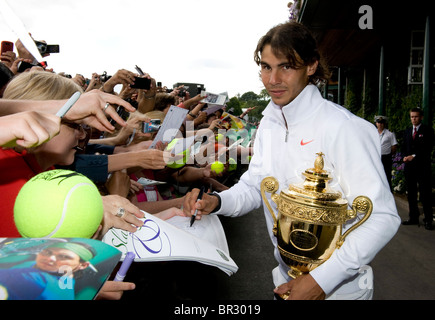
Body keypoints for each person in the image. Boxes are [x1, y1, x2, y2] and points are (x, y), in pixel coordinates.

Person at [182, 21, 400, 300]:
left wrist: (321, 281)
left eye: (285, 66)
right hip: (285, 279)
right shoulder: (270, 122)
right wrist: (218, 202)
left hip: (338, 291)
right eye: (265, 66)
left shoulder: (344, 127)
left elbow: (382, 217)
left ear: (311, 66)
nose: (272, 79)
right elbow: (256, 184)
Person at [401, 107, 434, 230]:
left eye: (415, 116)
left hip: (423, 168)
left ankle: (428, 220)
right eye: (411, 117)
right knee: (411, 194)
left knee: (425, 194)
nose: (413, 119)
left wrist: (413, 156)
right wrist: (404, 157)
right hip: (409, 169)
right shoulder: (407, 131)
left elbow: (427, 148)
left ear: (421, 117)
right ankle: (413, 217)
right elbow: (404, 147)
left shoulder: (428, 131)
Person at [374, 115, 398, 191]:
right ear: (376, 123)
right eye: (378, 122)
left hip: (385, 158)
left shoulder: (389, 134)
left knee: (387, 176)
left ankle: (388, 193)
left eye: (381, 123)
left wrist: (389, 154)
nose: (380, 124)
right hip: (376, 157)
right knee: (376, 175)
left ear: (384, 124)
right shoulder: (373, 133)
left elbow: (394, 146)